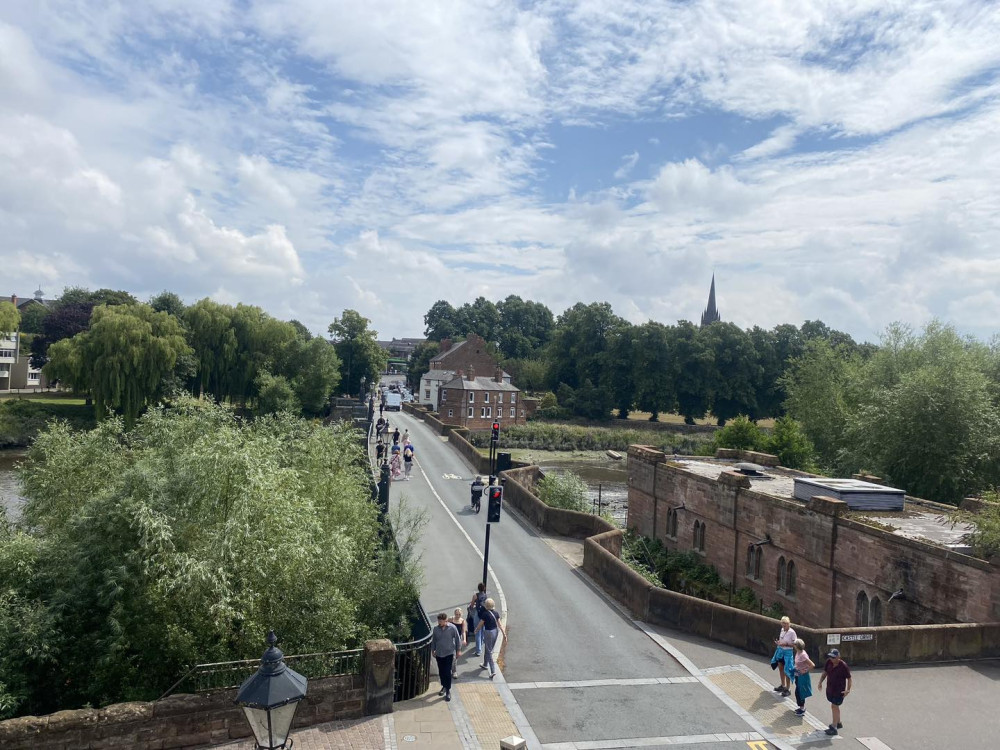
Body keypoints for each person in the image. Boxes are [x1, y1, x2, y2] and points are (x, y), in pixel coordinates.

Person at [817, 648, 852, 736]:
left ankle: (834, 727)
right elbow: (825, 672)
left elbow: (849, 678)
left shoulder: (843, 666)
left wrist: (848, 690)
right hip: (830, 689)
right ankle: (838, 722)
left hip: (839, 691)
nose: (831, 659)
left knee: (834, 706)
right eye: (830, 657)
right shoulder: (828, 662)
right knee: (835, 706)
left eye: (833, 657)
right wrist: (820, 682)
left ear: (838, 657)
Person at [431, 612, 462, 702]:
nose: (439, 623)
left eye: (441, 621)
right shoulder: (436, 629)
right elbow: (434, 640)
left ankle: (448, 690)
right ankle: (444, 686)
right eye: (438, 621)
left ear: (446, 620)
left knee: (447, 672)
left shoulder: (452, 628)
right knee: (441, 671)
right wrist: (433, 650)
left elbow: (457, 639)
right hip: (439, 653)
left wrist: (458, 650)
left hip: (449, 653)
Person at [473, 598, 505, 680]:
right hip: (495, 631)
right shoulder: (496, 613)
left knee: (489, 650)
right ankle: (485, 664)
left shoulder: (485, 614)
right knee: (489, 649)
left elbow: (480, 624)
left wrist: (476, 630)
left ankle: (493, 670)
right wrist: (504, 634)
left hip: (488, 632)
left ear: (486, 605)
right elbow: (500, 624)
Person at [770, 616, 796, 696]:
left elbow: (795, 644)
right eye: (782, 623)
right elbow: (782, 639)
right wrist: (779, 642)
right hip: (781, 651)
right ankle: (783, 685)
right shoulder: (782, 630)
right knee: (781, 668)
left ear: (789, 624)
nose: (784, 625)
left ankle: (788, 688)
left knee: (787, 670)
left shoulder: (792, 632)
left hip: (788, 653)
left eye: (785, 623)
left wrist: (786, 644)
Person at [791, 638, 815, 716]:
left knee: (800, 692)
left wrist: (804, 671)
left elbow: (812, 665)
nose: (793, 645)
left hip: (802, 676)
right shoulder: (798, 652)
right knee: (798, 691)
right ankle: (801, 707)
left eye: (794, 644)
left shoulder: (803, 655)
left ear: (797, 646)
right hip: (797, 675)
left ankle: (802, 708)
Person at [449, 608, 468, 678]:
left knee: (455, 657)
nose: (457, 616)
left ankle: (454, 671)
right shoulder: (451, 619)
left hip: (458, 639)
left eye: (459, 614)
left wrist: (464, 639)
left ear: (461, 614)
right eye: (456, 614)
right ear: (454, 614)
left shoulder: (462, 621)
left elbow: (463, 631)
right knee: (450, 655)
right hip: (450, 639)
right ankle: (450, 669)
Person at [470, 583, 488, 656]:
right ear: (484, 588)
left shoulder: (475, 595)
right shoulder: (486, 596)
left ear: (478, 588)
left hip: (478, 614)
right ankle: (481, 642)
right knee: (482, 629)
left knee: (477, 631)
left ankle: (478, 651)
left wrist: (472, 607)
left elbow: (472, 605)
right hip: (484, 614)